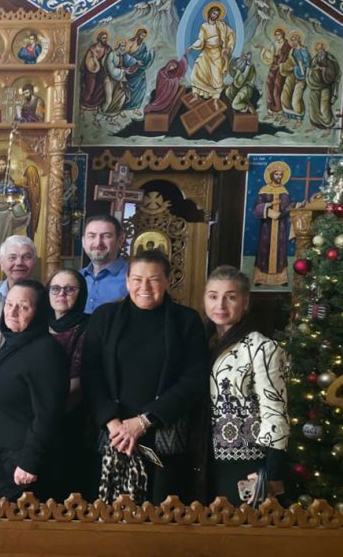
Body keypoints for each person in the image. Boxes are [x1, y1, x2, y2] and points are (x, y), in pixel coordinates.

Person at [82, 250, 208, 503]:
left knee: (162, 519)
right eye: (137, 279)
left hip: (164, 436)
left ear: (167, 281)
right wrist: (113, 423)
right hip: (114, 436)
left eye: (153, 279)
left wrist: (143, 421)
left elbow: (193, 380)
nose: (145, 287)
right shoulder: (105, 317)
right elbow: (91, 374)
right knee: (109, 520)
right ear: (127, 281)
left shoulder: (187, 321)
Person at [201, 266, 289, 503]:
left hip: (244, 460)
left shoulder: (262, 348)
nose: (220, 305)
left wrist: (271, 472)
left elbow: (275, 412)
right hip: (202, 457)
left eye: (230, 297)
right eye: (213, 296)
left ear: (245, 301)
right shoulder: (200, 342)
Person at [0, 280, 67, 501]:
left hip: (23, 463)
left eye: (23, 307)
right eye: (8, 304)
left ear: (38, 312)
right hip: (2, 455)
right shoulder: (14, 342)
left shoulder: (45, 351)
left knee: (18, 531)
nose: (12, 312)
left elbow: (48, 413)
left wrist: (29, 462)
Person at [45, 268, 93, 500]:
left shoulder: (88, 326)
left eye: (69, 289)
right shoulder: (38, 324)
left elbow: (79, 380)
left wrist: (51, 416)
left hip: (71, 420)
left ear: (81, 293)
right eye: (55, 288)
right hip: (36, 421)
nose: (61, 294)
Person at [251, 163, 292, 287]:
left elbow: (287, 206)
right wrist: (269, 206)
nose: (279, 176)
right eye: (277, 174)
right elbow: (256, 206)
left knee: (280, 249)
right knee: (264, 248)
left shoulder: (284, 191)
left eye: (280, 174)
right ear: (271, 175)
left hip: (280, 225)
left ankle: (281, 279)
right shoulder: (264, 190)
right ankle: (260, 278)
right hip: (266, 225)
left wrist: (281, 213)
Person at [80, 215, 128, 313]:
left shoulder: (133, 278)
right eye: (92, 236)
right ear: (83, 242)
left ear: (120, 240)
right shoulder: (78, 277)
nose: (98, 243)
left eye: (106, 236)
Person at [187, 3, 236, 100]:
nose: (215, 16)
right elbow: (200, 40)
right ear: (209, 13)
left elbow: (231, 35)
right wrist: (192, 47)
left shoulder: (221, 25)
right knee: (197, 72)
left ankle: (215, 98)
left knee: (216, 77)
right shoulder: (204, 26)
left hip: (217, 54)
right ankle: (196, 95)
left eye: (217, 15)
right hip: (206, 53)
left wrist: (229, 47)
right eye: (214, 13)